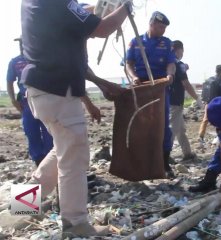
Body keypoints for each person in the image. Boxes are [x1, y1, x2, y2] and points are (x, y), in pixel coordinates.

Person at [21, 0, 131, 238]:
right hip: (58, 91)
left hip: (43, 90)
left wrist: (99, 7)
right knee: (74, 160)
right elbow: (101, 29)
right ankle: (75, 224)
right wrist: (126, 7)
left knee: (63, 149)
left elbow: (82, 16)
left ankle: (22, 204)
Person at [126, 11, 176, 178]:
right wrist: (133, 77)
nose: (163, 30)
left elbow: (171, 64)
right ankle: (140, 164)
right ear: (151, 24)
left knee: (162, 125)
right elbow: (128, 64)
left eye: (164, 28)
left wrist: (170, 75)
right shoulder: (136, 41)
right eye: (160, 27)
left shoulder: (167, 43)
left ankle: (165, 164)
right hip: (141, 87)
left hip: (160, 88)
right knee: (140, 125)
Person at [7, 38, 53, 167]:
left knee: (48, 132)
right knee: (31, 132)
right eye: (21, 43)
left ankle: (50, 161)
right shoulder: (15, 62)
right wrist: (12, 99)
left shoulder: (42, 59)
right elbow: (9, 81)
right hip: (26, 104)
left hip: (44, 101)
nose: (23, 46)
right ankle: (38, 162)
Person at [169, 40, 202, 161]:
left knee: (180, 129)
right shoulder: (178, 64)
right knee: (172, 129)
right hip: (175, 102)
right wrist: (197, 98)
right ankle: (164, 155)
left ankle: (187, 153)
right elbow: (186, 84)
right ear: (179, 50)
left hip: (170, 100)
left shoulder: (168, 63)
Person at [198, 65, 221, 143]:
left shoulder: (208, 80)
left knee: (205, 119)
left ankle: (201, 136)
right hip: (217, 104)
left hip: (208, 103)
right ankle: (220, 136)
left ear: (215, 71)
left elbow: (204, 92)